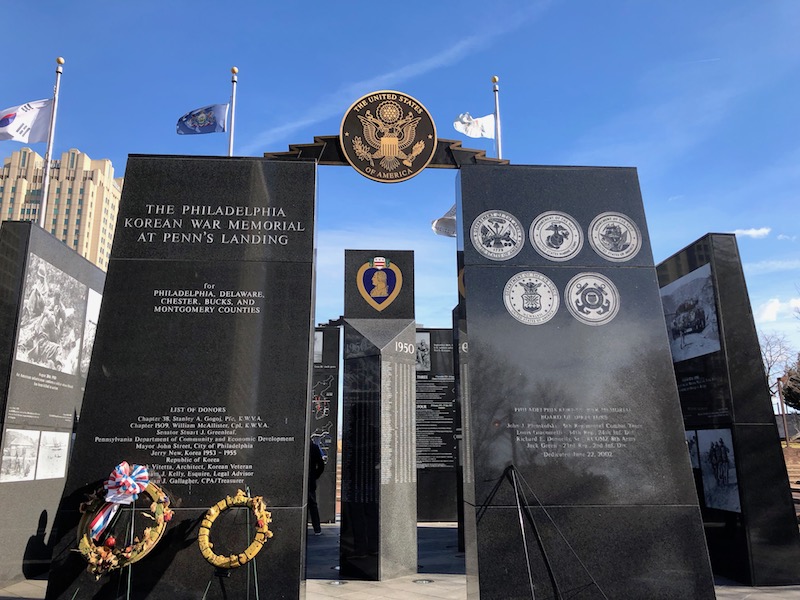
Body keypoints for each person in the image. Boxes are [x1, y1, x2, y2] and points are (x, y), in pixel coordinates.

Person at [308, 440, 325, 535]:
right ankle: (317, 528)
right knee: (313, 505)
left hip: (307, 479)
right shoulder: (314, 447)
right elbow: (321, 465)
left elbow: (321, 465)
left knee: (312, 504)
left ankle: (317, 528)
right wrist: (315, 476)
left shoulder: (312, 447)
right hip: (311, 479)